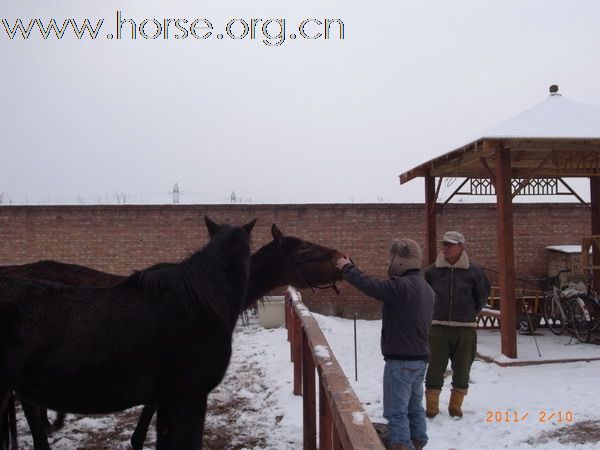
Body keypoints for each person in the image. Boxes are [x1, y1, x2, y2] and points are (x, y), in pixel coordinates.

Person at [336, 238, 435, 450]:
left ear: (401, 261)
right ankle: (418, 442)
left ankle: (401, 445)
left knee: (396, 411)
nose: (390, 262)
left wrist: (348, 269)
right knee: (414, 408)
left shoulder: (402, 287)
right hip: (419, 360)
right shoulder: (425, 287)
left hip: (400, 362)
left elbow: (371, 286)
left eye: (392, 258)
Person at [424, 231, 490, 419]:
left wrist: (468, 314)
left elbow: (481, 297)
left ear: (461, 247)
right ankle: (431, 407)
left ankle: (455, 406)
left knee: (463, 368)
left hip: (465, 328)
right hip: (438, 327)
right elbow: (425, 297)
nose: (446, 248)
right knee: (435, 367)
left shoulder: (475, 272)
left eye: (450, 244)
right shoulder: (431, 272)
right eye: (444, 244)